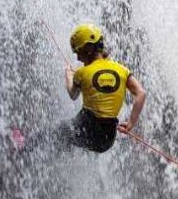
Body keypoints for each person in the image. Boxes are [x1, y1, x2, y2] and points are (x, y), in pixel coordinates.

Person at [12, 23, 145, 154]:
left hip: (87, 129)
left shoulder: (82, 73)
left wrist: (68, 75)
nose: (77, 57)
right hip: (107, 139)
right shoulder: (122, 70)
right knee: (67, 138)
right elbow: (141, 93)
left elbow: (73, 94)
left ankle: (24, 145)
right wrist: (131, 122)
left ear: (88, 50)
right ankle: (59, 151)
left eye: (78, 52)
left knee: (54, 132)